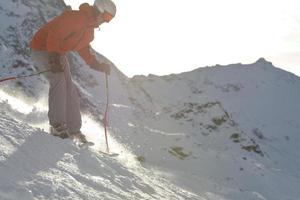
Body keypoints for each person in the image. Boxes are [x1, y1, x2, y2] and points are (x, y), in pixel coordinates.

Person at [29, 0, 116, 144]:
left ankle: (74, 129)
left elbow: (83, 50)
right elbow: (54, 34)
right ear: (99, 10)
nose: (106, 22)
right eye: (107, 17)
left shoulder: (89, 31)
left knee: (71, 90)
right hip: (42, 49)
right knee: (58, 81)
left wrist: (97, 65)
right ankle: (57, 126)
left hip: (57, 53)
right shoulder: (75, 17)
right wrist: (53, 59)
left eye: (110, 20)